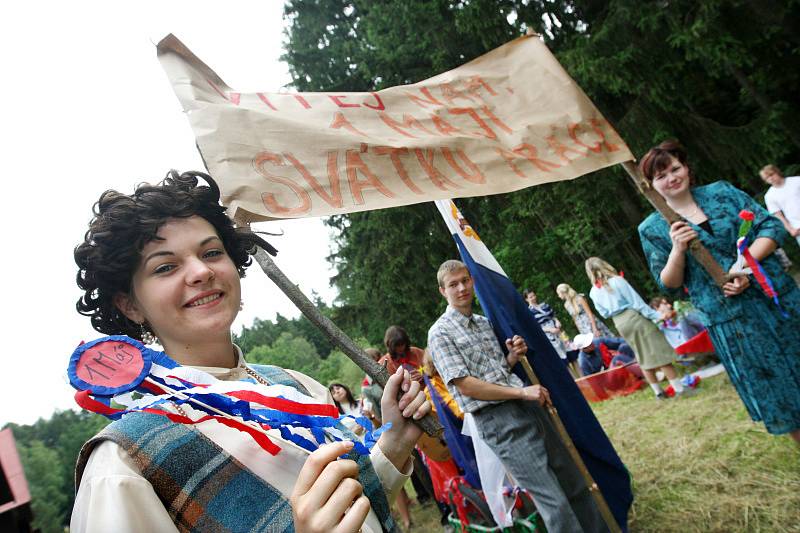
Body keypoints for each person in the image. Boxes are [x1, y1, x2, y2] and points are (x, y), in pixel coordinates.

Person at [70, 170, 430, 532]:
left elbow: (359, 506)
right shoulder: (121, 465)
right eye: (165, 267)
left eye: (211, 252)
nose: (201, 271)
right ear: (129, 305)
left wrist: (395, 441)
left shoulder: (296, 386)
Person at [638, 141, 800, 442]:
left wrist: (746, 266)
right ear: (650, 185)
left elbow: (770, 227)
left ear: (686, 167)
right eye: (661, 176)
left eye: (675, 168)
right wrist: (677, 249)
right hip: (734, 322)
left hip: (776, 299)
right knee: (779, 390)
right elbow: (668, 283)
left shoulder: (721, 193)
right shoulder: (652, 228)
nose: (672, 178)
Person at [428, 260, 605, 533]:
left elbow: (497, 372)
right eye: (453, 284)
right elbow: (466, 385)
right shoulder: (439, 333)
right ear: (442, 291)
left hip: (527, 406)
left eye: (465, 280)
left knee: (572, 482)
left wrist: (513, 355)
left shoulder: (483, 323)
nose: (462, 288)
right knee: (553, 502)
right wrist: (522, 391)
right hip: (498, 421)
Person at [585, 257, 692, 400]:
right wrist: (657, 315)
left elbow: (603, 313)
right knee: (659, 351)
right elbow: (637, 303)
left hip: (620, 323)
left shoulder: (593, 292)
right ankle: (680, 389)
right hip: (634, 317)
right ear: (604, 265)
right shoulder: (618, 281)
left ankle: (658, 393)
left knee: (641, 355)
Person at [760, 164, 800, 245]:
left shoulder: (797, 181)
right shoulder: (769, 196)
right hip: (798, 227)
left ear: (777, 172)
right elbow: (778, 215)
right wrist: (791, 229)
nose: (770, 178)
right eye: (767, 178)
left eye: (771, 174)